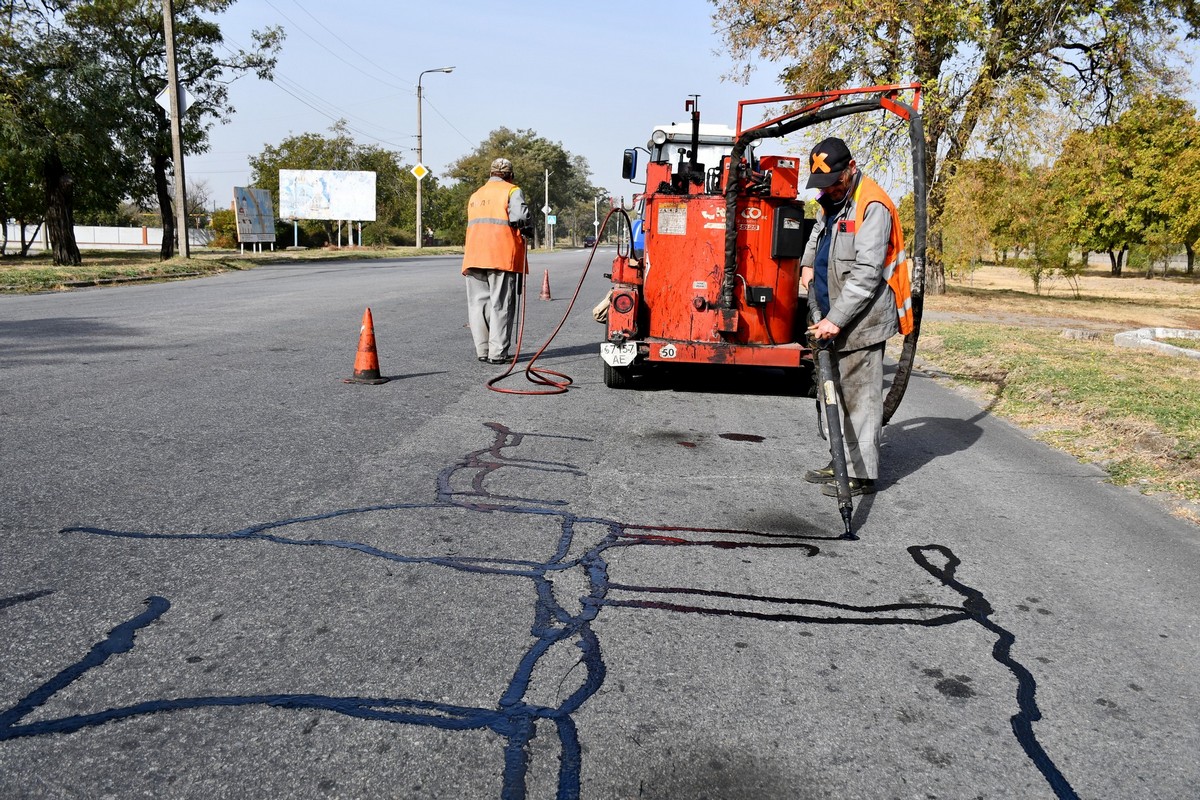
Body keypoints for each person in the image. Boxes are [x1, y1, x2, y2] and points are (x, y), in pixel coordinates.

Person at [799, 137, 914, 497]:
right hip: (830, 312)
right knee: (837, 392)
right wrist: (806, 265)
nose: (829, 190)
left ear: (851, 168)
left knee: (860, 395)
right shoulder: (833, 199)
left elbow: (866, 272)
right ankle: (841, 461)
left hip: (860, 318)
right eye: (823, 185)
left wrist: (836, 319)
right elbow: (819, 231)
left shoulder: (872, 204)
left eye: (834, 182)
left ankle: (860, 474)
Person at [462, 157, 532, 364]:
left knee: (478, 305)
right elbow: (520, 216)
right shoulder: (512, 190)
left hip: (474, 255)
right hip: (501, 254)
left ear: (491, 174)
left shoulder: (476, 195)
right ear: (510, 175)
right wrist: (526, 225)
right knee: (501, 304)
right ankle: (497, 353)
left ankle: (482, 351)